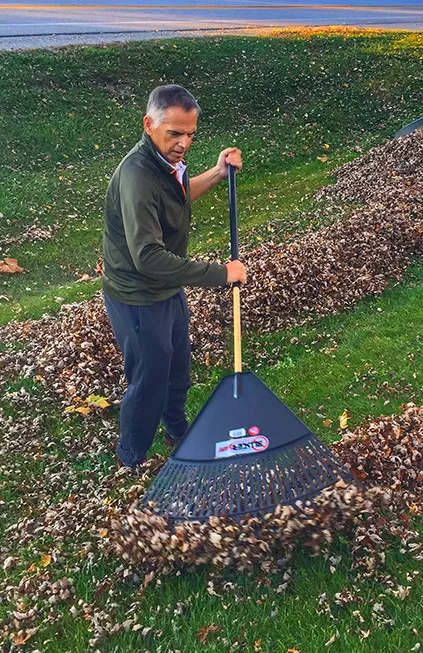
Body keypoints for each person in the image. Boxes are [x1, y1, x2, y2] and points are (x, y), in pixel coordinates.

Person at [102, 84, 246, 471]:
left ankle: (176, 427)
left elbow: (179, 195)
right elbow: (148, 258)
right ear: (149, 124)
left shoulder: (164, 164)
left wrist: (217, 172)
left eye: (190, 134)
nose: (184, 143)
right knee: (150, 377)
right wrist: (221, 273)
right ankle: (131, 456)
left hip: (166, 287)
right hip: (137, 294)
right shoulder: (138, 177)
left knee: (178, 364)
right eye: (175, 134)